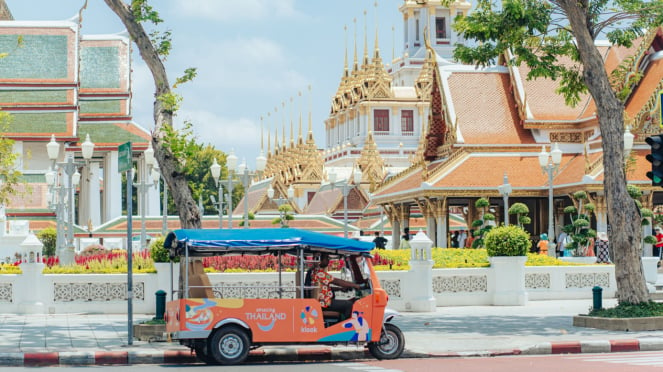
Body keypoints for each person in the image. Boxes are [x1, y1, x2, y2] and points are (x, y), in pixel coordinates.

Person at [310, 253, 362, 320]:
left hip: (323, 300)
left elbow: (324, 287)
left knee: (349, 301)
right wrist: (356, 285)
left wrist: (340, 289)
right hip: (324, 302)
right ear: (320, 260)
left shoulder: (315, 272)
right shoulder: (320, 273)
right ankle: (344, 325)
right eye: (327, 258)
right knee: (349, 305)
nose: (328, 261)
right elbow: (337, 281)